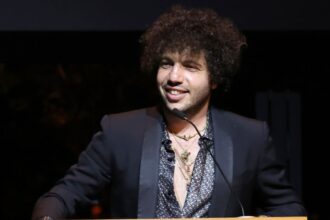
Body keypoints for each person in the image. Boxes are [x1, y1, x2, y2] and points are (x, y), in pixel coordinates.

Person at [32, 5, 306, 220]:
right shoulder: (119, 131)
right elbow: (65, 194)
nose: (173, 76)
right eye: (166, 64)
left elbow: (289, 207)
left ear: (214, 78)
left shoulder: (250, 136)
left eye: (190, 66)